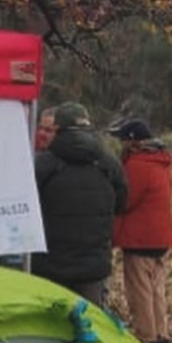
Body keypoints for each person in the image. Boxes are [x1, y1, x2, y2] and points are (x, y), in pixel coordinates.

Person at [32, 102, 128, 307]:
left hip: (50, 265)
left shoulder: (44, 163)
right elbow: (121, 203)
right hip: (94, 266)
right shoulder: (108, 163)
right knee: (91, 326)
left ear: (58, 129)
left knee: (51, 329)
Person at [111, 118, 172, 343]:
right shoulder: (161, 162)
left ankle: (147, 336)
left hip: (140, 236)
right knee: (156, 286)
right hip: (160, 235)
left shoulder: (137, 165)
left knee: (139, 288)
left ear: (132, 142)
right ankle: (162, 332)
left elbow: (125, 201)